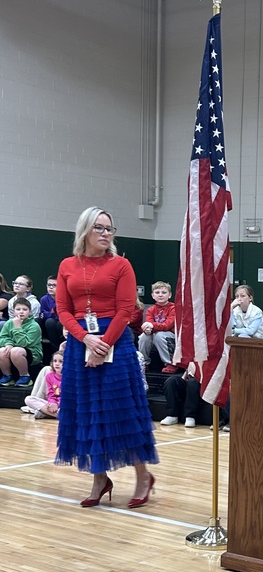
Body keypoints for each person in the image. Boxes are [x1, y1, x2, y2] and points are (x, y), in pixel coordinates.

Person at [55, 207, 158, 508]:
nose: (105, 233)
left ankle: (143, 477)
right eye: (99, 228)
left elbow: (126, 310)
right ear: (85, 230)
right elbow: (63, 309)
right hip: (80, 341)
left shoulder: (121, 265)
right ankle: (99, 479)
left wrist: (103, 346)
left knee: (124, 411)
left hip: (115, 340)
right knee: (88, 411)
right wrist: (85, 338)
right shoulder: (67, 265)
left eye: (109, 229)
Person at [0, 297, 43, 386]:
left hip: (32, 353)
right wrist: (8, 344)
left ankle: (25, 376)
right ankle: (7, 376)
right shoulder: (8, 323)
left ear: (30, 312)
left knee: (16, 351)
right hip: (13, 350)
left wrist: (18, 327)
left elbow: (24, 344)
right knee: (1, 351)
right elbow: (2, 337)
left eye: (25, 309)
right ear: (13, 311)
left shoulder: (34, 326)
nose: (21, 312)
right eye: (18, 309)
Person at [138, 280, 177, 373]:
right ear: (153, 295)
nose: (160, 295)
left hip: (170, 335)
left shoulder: (173, 308)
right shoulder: (151, 309)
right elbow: (149, 323)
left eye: (164, 292)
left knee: (159, 335)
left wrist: (151, 326)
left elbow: (168, 325)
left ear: (170, 295)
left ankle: (170, 363)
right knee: (144, 337)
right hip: (155, 333)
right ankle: (145, 363)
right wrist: (147, 329)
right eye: (157, 292)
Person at [24, 349, 63, 419]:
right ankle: (55, 414)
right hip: (54, 404)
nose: (57, 363)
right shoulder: (50, 376)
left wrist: (57, 404)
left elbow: (67, 396)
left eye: (61, 362)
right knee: (28, 399)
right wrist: (52, 403)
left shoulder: (69, 377)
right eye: (55, 361)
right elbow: (51, 393)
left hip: (64, 404)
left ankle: (46, 412)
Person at [39, 275, 64, 353]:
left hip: (60, 326)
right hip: (48, 327)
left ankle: (60, 350)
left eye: (54, 285)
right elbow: (42, 315)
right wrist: (53, 314)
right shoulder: (44, 299)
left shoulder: (63, 298)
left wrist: (50, 314)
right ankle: (53, 351)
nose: (51, 287)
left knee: (58, 323)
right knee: (49, 322)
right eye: (49, 285)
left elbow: (62, 315)